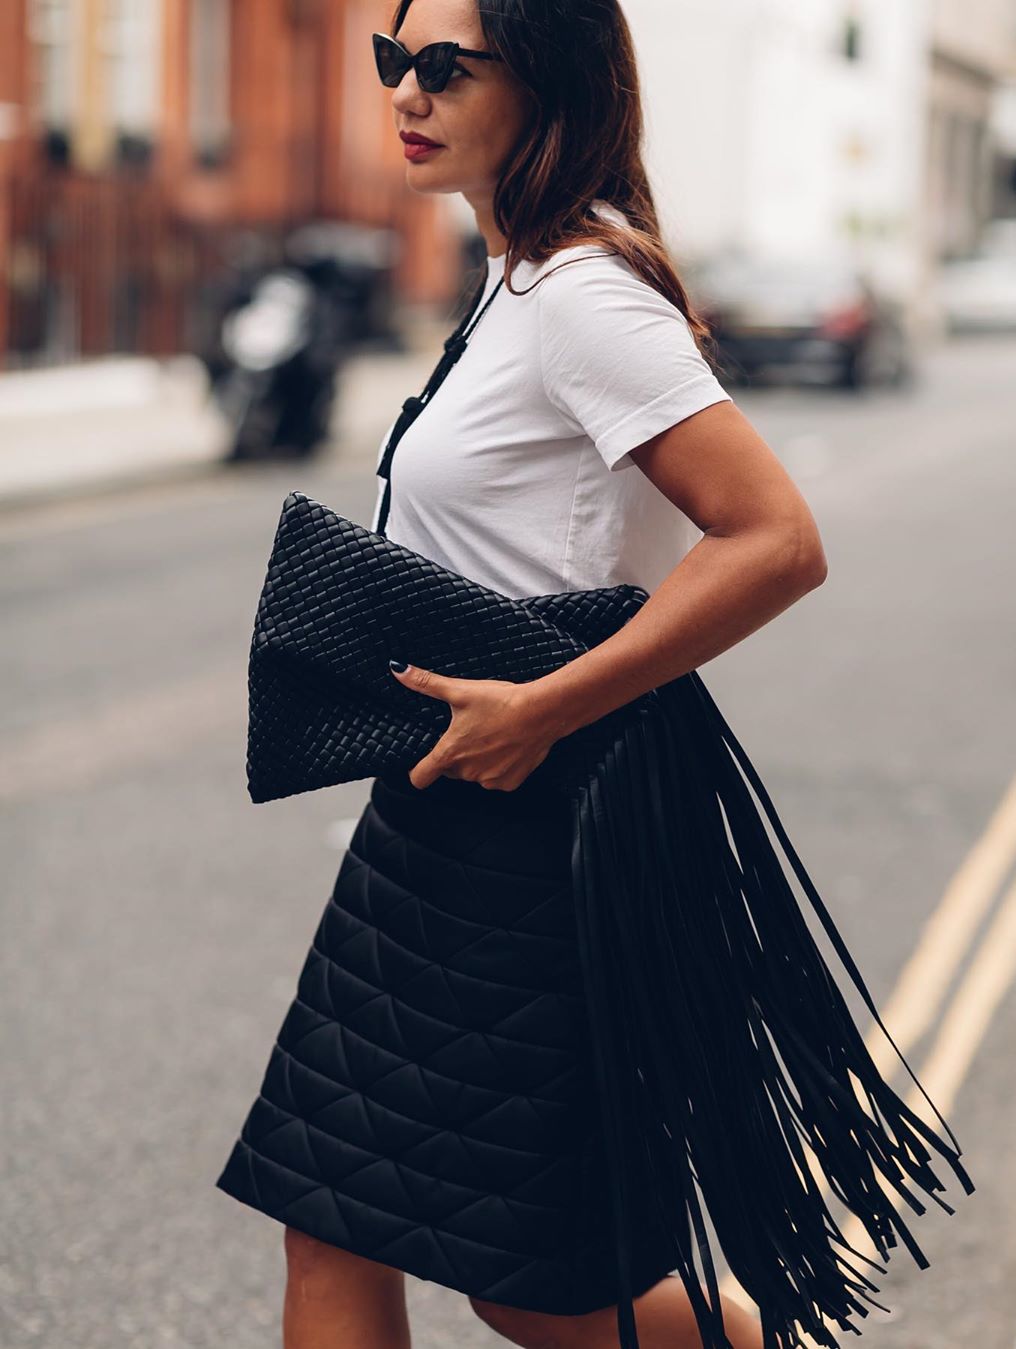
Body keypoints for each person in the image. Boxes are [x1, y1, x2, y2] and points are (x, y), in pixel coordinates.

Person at [215, 2, 829, 1346]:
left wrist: (545, 705)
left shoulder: (586, 296)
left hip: (535, 812)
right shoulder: (518, 276)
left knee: (537, 1283)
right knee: (338, 1211)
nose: (408, 91)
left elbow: (776, 539)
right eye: (396, 60)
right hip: (453, 801)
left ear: (547, 81)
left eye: (448, 66)